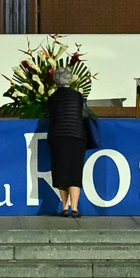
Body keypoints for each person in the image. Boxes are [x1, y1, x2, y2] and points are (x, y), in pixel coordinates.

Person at [44, 72, 96, 217]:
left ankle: (64, 207)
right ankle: (75, 208)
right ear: (70, 80)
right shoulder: (78, 96)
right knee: (75, 172)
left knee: (61, 172)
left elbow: (51, 116)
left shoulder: (53, 98)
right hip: (77, 136)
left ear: (56, 82)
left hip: (59, 136)